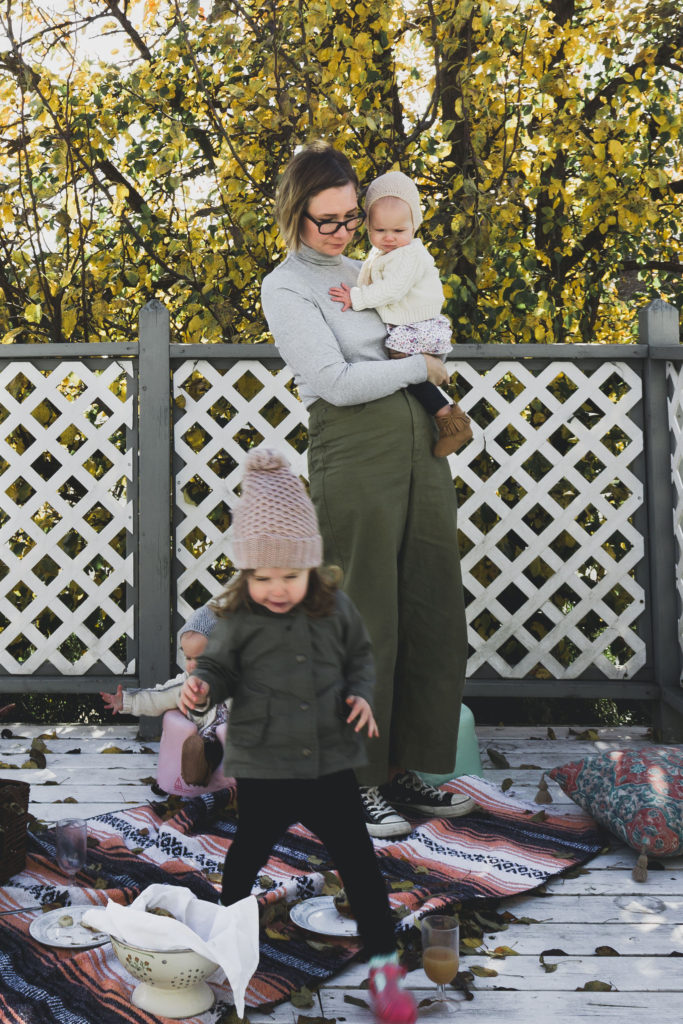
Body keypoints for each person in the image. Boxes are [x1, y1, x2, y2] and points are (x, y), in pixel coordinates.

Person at [259, 140, 475, 839]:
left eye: (351, 217)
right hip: (354, 450)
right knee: (364, 617)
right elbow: (334, 382)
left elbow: (422, 325)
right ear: (295, 214)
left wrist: (430, 351)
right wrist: (421, 368)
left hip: (420, 447)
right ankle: (355, 782)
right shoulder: (286, 286)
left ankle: (402, 767)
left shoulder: (372, 268)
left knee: (429, 607)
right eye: (328, 220)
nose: (343, 230)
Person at [178, 448, 418, 1024]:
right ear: (246, 575)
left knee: (359, 861)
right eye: (262, 578)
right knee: (245, 858)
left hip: (328, 764)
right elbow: (218, 667)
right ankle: (229, 941)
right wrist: (201, 686)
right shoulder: (239, 620)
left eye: (290, 575)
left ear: (312, 565)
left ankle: (384, 965)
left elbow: (360, 659)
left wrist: (360, 694)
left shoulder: (336, 612)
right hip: (264, 768)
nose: (277, 588)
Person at [329, 169, 472, 457]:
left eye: (399, 231)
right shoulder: (384, 254)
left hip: (419, 325)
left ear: (414, 226)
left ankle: (450, 420)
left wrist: (356, 298)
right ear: (368, 227)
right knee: (404, 370)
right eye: (380, 231)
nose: (389, 238)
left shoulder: (410, 255)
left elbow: (392, 290)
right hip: (409, 324)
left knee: (402, 363)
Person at [99, 605, 229, 786]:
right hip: (206, 742)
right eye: (188, 658)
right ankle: (194, 772)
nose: (192, 665)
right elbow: (158, 697)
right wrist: (126, 701)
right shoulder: (184, 685)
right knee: (205, 748)